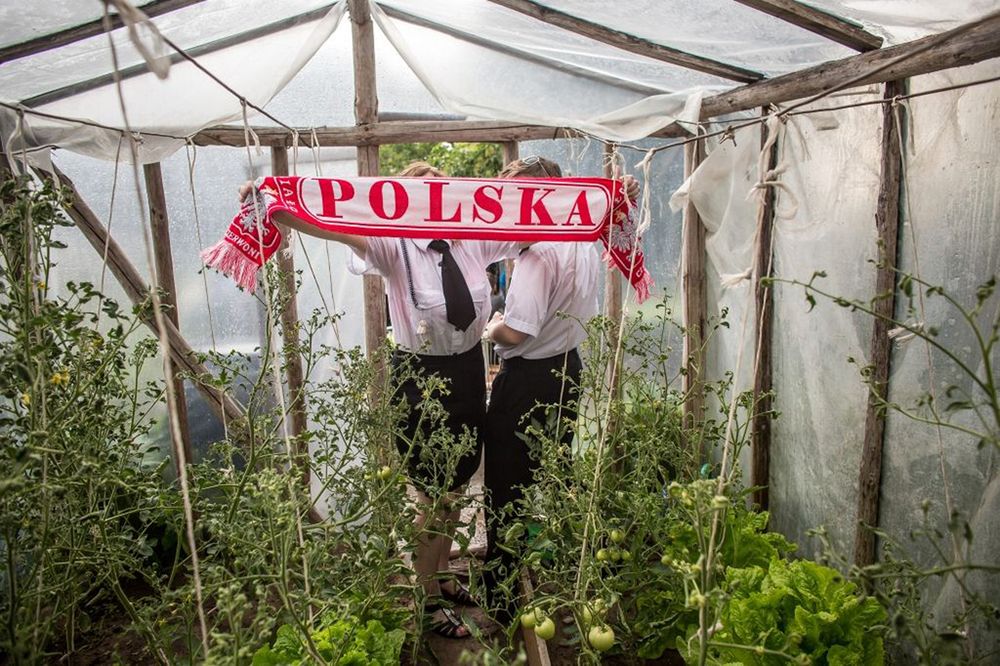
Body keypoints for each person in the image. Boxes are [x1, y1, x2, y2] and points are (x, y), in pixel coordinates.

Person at [240, 161, 521, 638]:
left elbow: (533, 222)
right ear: (407, 202)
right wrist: (274, 205)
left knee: (454, 486)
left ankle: (441, 574)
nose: (435, 204)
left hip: (469, 371)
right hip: (421, 376)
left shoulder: (472, 239)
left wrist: (608, 202)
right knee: (431, 495)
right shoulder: (394, 245)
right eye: (424, 195)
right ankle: (426, 598)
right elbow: (332, 225)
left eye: (441, 194)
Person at [480, 156, 603, 625]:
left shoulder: (538, 254)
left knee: (506, 485)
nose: (513, 206)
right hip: (568, 371)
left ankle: (503, 595)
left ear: (543, 194)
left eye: (519, 195)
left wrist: (492, 328)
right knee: (546, 474)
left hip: (528, 379)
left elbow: (517, 333)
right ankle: (547, 569)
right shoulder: (582, 241)